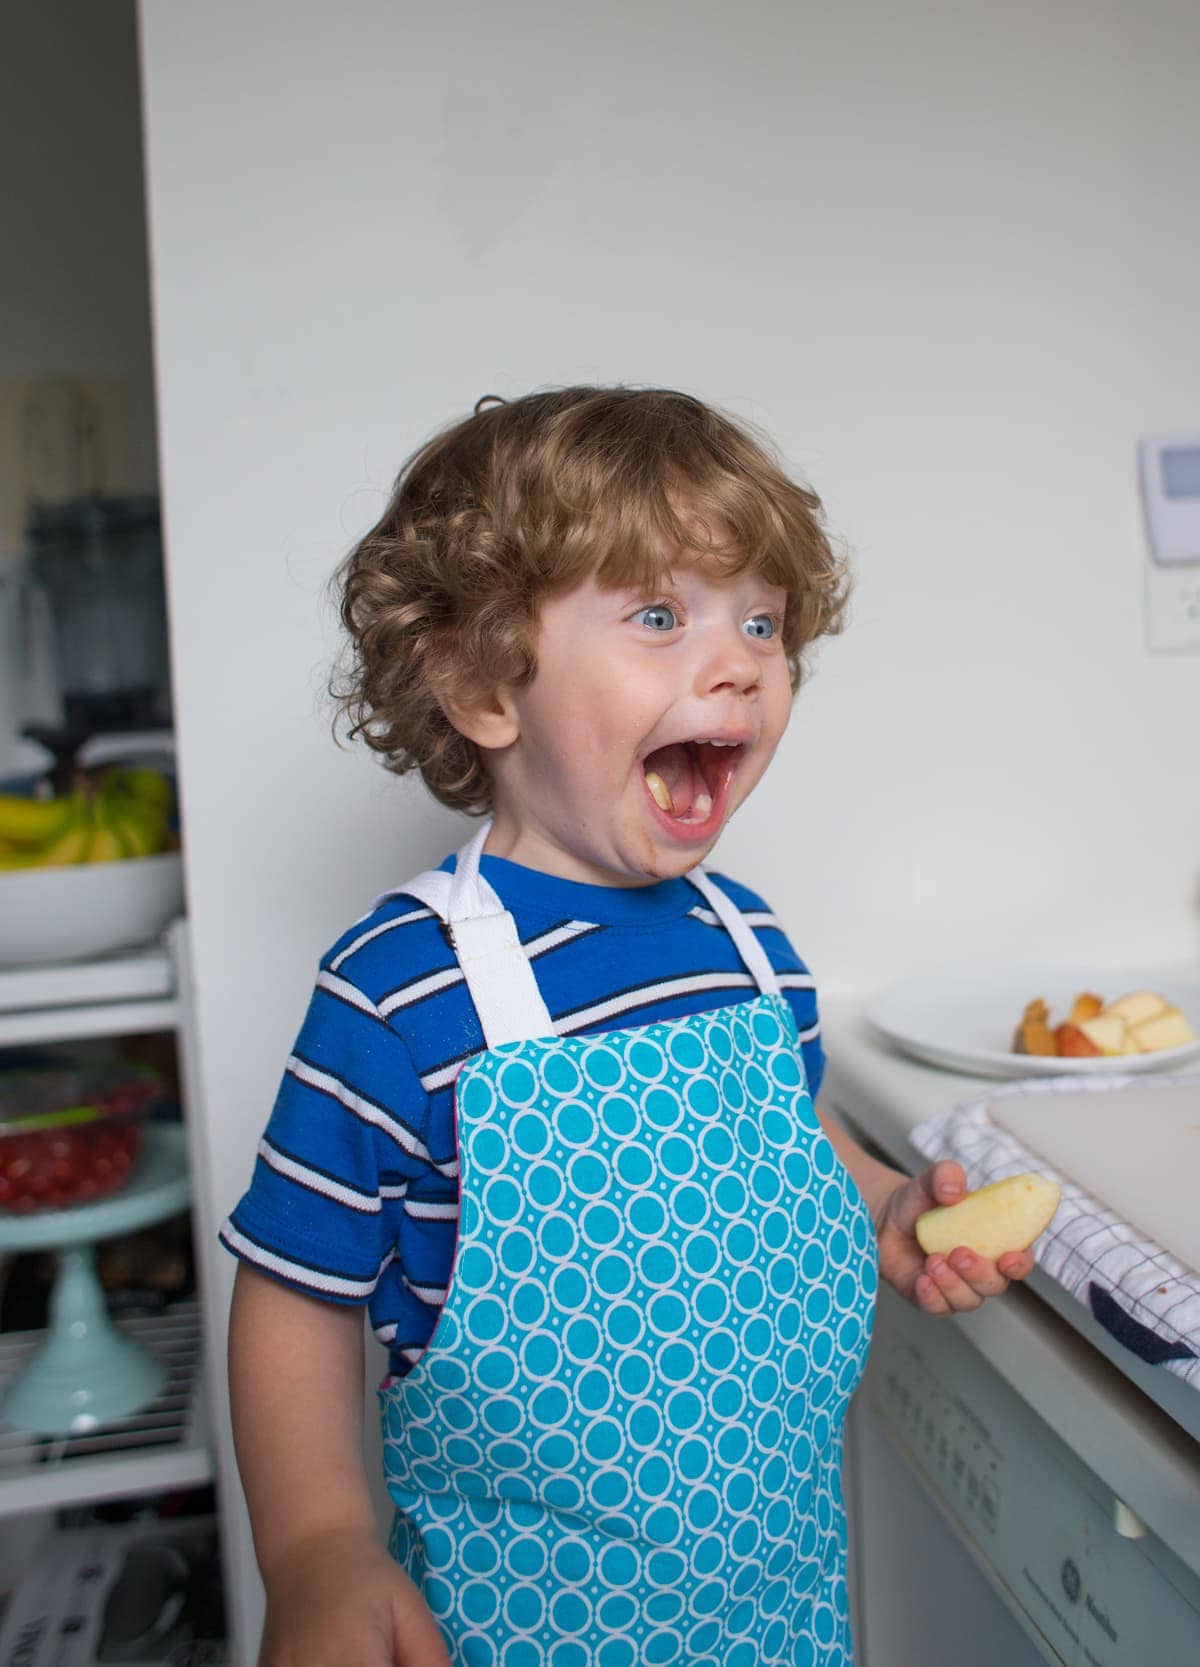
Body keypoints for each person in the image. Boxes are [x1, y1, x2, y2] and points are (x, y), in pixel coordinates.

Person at [222, 387, 1033, 1667]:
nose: (740, 660)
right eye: (660, 616)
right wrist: (317, 1542)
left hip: (784, 1618)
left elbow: (786, 1136)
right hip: (518, 1629)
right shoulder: (403, 987)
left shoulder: (750, 943)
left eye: (761, 621)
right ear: (482, 680)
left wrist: (884, 1208)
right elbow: (294, 1292)